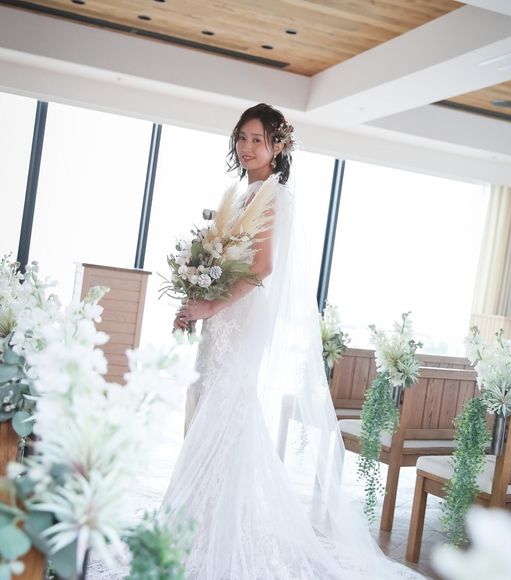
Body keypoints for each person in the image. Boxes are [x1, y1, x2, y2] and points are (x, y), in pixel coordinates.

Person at [165, 103, 422, 579]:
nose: (247, 147)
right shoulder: (241, 192)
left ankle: (212, 529)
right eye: (242, 137)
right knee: (210, 405)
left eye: (257, 139)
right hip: (224, 317)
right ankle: (205, 522)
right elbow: (224, 266)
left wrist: (210, 306)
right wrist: (198, 298)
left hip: (242, 320)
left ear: (277, 147)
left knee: (224, 409)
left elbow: (261, 268)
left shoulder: (273, 196)